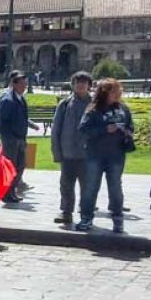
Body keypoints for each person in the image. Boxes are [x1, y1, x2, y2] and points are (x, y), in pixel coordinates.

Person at [77, 78, 134, 233]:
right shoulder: (93, 110)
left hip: (116, 155)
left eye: (119, 91)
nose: (118, 94)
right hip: (95, 155)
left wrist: (127, 132)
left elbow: (130, 126)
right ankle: (86, 218)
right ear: (104, 93)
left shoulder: (123, 109)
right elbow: (83, 129)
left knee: (115, 187)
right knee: (90, 187)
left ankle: (117, 219)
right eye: (114, 91)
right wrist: (104, 130)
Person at [50, 71, 93, 227]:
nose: (81, 85)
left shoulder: (95, 104)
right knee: (66, 185)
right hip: (68, 152)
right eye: (77, 82)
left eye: (84, 82)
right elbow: (56, 129)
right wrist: (56, 151)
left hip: (87, 155)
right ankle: (66, 212)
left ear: (89, 85)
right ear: (73, 85)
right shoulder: (65, 104)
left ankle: (86, 214)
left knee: (87, 186)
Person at [0, 71, 36, 204]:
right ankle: (6, 193)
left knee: (20, 166)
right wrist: (10, 139)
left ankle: (11, 191)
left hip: (20, 138)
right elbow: (2, 121)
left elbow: (23, 118)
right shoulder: (7, 99)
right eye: (22, 84)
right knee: (10, 167)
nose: (25, 87)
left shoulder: (20, 98)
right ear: (14, 84)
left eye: (26, 84)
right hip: (11, 140)